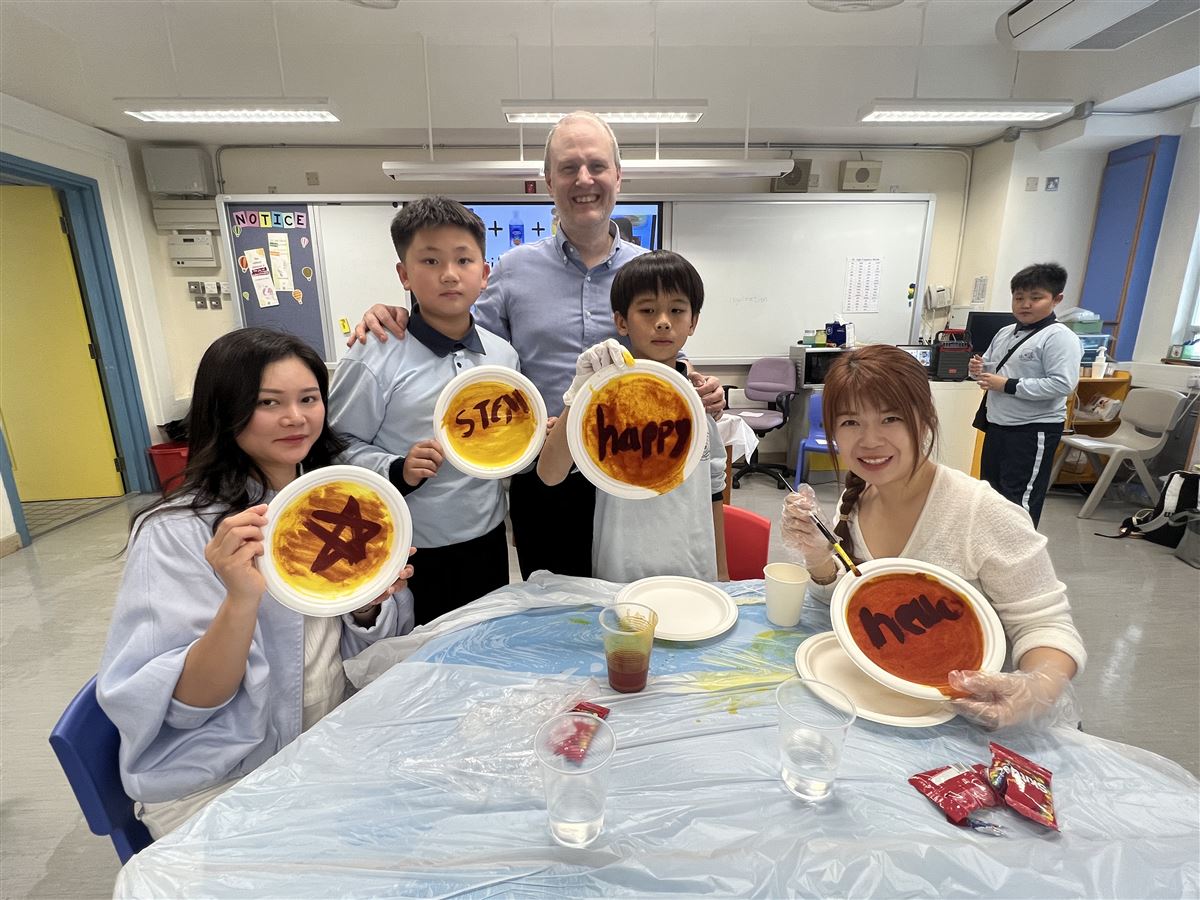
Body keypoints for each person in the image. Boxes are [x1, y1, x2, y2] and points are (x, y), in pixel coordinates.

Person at [348, 111, 724, 579]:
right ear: (549, 181)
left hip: (631, 464)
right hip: (547, 473)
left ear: (618, 176)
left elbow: (661, 350)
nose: (583, 179)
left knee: (633, 599)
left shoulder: (648, 271)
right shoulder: (510, 270)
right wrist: (402, 311)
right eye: (568, 168)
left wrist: (696, 381)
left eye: (597, 166)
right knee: (552, 609)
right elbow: (465, 345)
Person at [98, 328, 414, 838]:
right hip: (223, 777)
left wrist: (366, 606)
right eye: (269, 402)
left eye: (308, 398)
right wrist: (240, 600)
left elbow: (365, 656)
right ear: (226, 410)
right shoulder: (176, 531)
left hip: (325, 742)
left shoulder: (335, 499)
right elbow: (188, 704)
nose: (295, 417)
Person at [781, 344, 1085, 730]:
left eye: (890, 419)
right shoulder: (855, 500)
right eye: (851, 422)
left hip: (976, 719)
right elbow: (854, 605)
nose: (870, 440)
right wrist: (818, 558)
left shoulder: (980, 512)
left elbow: (1048, 626)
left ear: (924, 419)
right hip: (890, 703)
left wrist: (1034, 688)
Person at [328, 197, 519, 624]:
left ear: (484, 273)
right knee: (413, 655)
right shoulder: (373, 356)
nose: (449, 274)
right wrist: (397, 467)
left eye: (464, 260)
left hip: (487, 541)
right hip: (409, 550)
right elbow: (333, 445)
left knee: (484, 648)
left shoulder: (503, 357)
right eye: (430, 261)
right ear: (404, 275)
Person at [538, 250, 729, 582]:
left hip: (694, 571)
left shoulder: (698, 403)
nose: (663, 321)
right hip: (619, 574)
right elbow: (550, 474)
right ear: (621, 321)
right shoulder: (605, 403)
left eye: (677, 310)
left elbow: (714, 491)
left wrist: (722, 576)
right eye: (647, 310)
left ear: (693, 321)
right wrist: (578, 395)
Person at [969, 262, 1081, 527]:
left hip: (1032, 431)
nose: (1025, 305)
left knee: (1019, 500)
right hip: (998, 425)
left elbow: (1062, 385)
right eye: (1019, 298)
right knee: (992, 494)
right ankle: (993, 546)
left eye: (1035, 298)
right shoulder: (1005, 333)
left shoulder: (1059, 337)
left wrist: (1007, 385)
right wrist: (977, 370)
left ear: (1056, 299)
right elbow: (990, 371)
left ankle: (1019, 550)